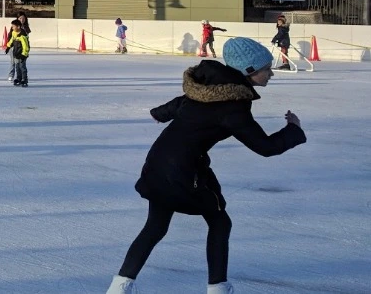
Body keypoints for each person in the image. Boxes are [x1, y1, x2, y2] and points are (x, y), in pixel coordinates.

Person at [106, 37, 306, 294]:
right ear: (248, 71)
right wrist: (294, 130)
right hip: (184, 170)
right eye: (266, 69)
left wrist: (160, 113)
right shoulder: (233, 106)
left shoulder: (207, 87)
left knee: (155, 227)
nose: (271, 74)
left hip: (159, 162)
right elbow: (264, 147)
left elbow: (181, 102)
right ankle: (218, 288)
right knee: (220, 222)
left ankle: (120, 286)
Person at [6, 21, 30, 87]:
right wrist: (8, 46)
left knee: (22, 67)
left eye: (13, 26)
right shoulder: (14, 33)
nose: (12, 28)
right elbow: (11, 40)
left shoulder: (22, 35)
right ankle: (19, 78)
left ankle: (24, 79)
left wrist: (24, 54)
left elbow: (26, 46)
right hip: (16, 53)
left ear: (18, 27)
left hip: (22, 54)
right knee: (17, 66)